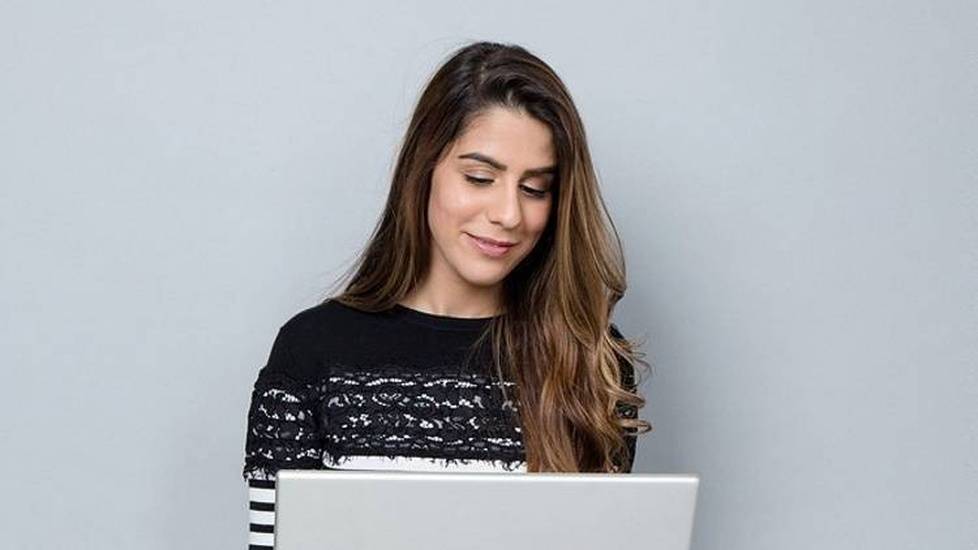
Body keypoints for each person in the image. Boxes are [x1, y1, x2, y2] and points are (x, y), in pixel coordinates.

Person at [241, 40, 653, 550]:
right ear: (424, 169)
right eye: (480, 177)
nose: (509, 214)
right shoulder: (312, 353)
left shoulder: (589, 358)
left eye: (535, 189)